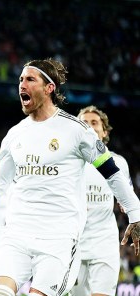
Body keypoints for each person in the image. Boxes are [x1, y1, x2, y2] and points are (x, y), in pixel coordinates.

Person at [0, 58, 140, 296]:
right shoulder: (14, 135)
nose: (22, 85)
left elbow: (112, 172)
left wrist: (135, 213)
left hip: (58, 240)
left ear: (49, 88)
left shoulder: (76, 131)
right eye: (20, 80)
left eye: (30, 79)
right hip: (16, 236)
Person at [69, 105, 133, 296]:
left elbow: (127, 197)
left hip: (104, 243)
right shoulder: (67, 163)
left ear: (104, 131)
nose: (88, 126)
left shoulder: (118, 163)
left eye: (94, 122)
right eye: (83, 122)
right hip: (73, 245)